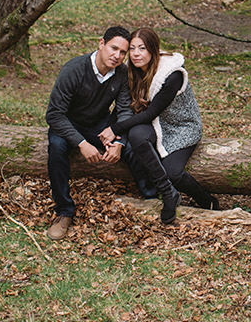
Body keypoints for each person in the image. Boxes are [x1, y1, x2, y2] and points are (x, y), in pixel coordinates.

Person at [100, 27, 218, 225]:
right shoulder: (133, 71)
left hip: (182, 126)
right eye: (133, 49)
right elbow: (127, 107)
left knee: (174, 173)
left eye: (142, 48)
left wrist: (115, 130)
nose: (136, 54)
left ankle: (208, 202)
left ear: (153, 50)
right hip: (156, 124)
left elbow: (151, 112)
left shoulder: (172, 75)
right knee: (137, 135)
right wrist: (116, 137)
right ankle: (168, 193)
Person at [45, 26, 151, 240]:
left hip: (99, 124)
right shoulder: (74, 69)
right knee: (56, 149)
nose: (117, 56)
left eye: (123, 52)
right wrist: (82, 143)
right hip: (68, 123)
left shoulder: (121, 73)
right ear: (101, 44)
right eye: (113, 48)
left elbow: (123, 110)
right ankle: (64, 211)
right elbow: (54, 115)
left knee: (131, 148)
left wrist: (119, 141)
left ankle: (151, 197)